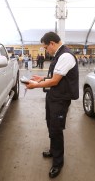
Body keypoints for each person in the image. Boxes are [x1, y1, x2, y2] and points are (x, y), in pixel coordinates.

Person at [25, 32, 79, 178]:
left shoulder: (65, 56)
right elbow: (57, 76)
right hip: (53, 97)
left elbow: (55, 81)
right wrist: (42, 78)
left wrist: (35, 85)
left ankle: (58, 162)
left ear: (52, 44)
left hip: (60, 100)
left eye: (45, 47)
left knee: (56, 129)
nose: (46, 50)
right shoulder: (59, 55)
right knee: (50, 124)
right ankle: (53, 150)